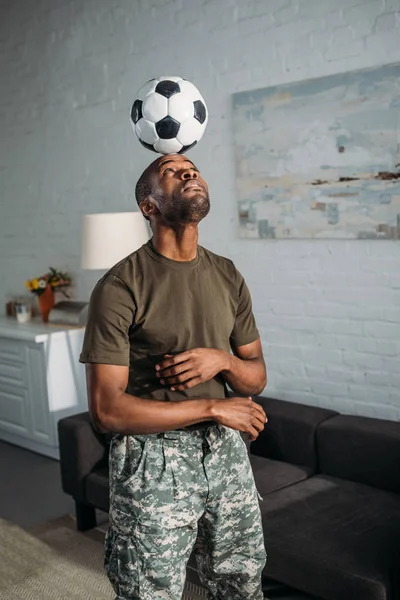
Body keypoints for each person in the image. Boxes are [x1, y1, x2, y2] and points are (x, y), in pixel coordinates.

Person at [79, 153, 268, 600]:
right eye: (171, 171)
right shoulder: (120, 286)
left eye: (193, 169)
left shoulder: (227, 274)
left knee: (241, 584)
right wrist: (212, 405)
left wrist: (221, 362)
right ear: (149, 206)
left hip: (224, 454)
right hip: (153, 461)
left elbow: (256, 377)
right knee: (150, 591)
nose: (189, 173)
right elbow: (106, 409)